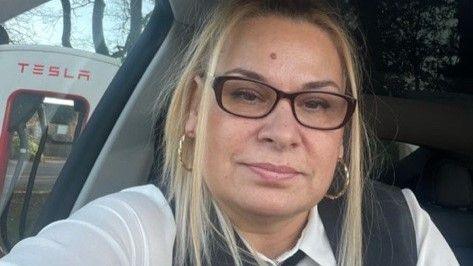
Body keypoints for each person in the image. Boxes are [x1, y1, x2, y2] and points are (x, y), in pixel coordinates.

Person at [0, 1, 459, 265]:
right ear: (195, 112)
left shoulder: (402, 229)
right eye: (247, 95)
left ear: (341, 137)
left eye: (317, 104)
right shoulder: (135, 232)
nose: (282, 133)